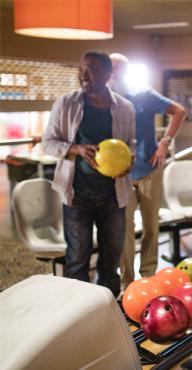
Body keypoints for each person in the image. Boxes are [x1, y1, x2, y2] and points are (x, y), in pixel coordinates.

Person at [42, 51, 135, 297]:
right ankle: (78, 312)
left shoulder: (125, 108)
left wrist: (128, 162)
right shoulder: (66, 104)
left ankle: (108, 311)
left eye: (90, 70)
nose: (82, 75)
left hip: (114, 196)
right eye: (81, 69)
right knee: (77, 260)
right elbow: (48, 143)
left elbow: (130, 145)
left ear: (107, 75)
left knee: (110, 262)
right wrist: (77, 149)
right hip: (77, 196)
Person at [108, 53, 186, 289]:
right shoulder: (106, 99)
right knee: (125, 230)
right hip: (121, 174)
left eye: (117, 68)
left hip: (150, 168)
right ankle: (128, 283)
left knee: (151, 227)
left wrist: (165, 142)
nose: (113, 73)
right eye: (110, 69)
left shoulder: (144, 94)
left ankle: (148, 277)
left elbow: (179, 111)